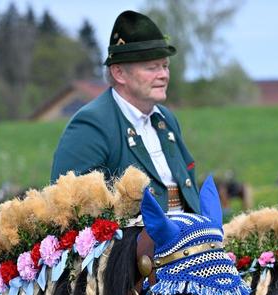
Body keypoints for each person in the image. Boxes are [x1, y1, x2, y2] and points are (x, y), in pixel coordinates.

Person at [50, 10, 199, 213]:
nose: (163, 75)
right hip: (135, 245)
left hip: (189, 238)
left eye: (165, 66)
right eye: (152, 67)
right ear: (119, 73)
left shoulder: (166, 119)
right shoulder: (91, 125)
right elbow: (69, 210)